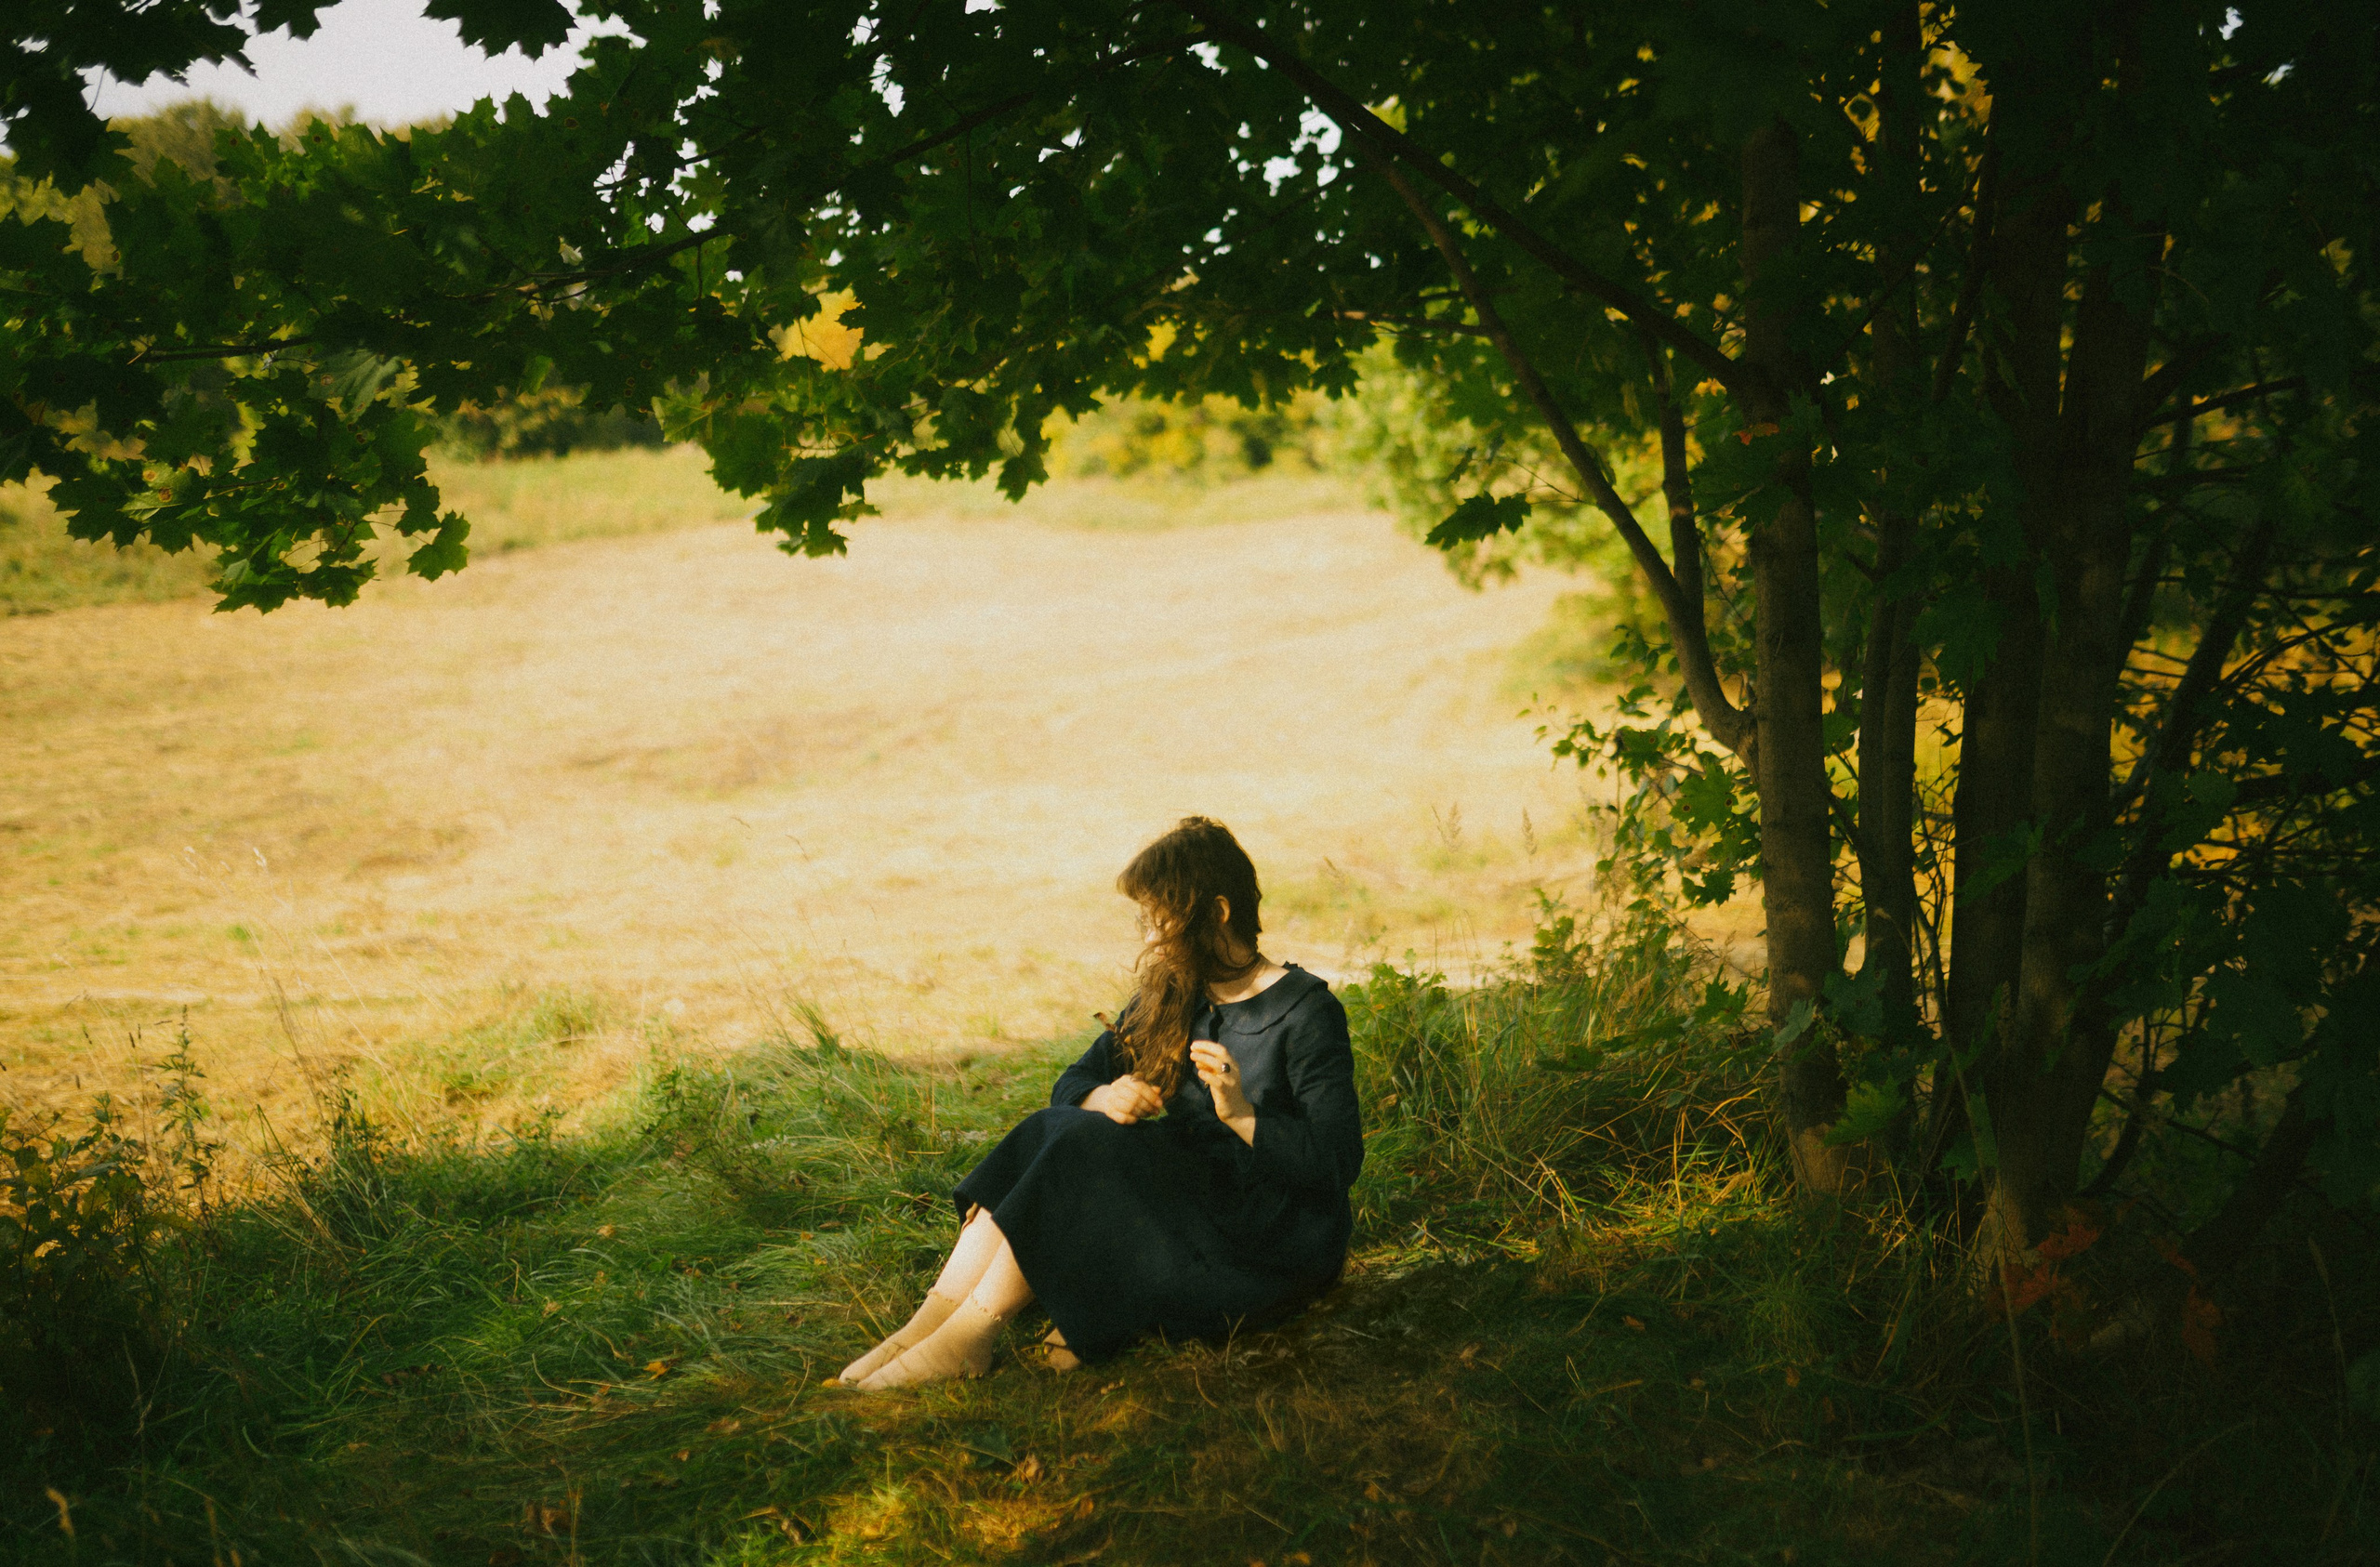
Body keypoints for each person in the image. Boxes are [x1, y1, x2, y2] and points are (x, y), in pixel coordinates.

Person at [839, 816, 1365, 1388]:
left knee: (1082, 1145)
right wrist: (1104, 1094)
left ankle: (970, 1337)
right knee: (1058, 1126)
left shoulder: (1307, 1012)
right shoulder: (1172, 993)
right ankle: (927, 1325)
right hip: (1184, 1215)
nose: (1150, 940)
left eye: (1162, 921)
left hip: (1265, 1248)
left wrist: (1241, 1114)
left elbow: (1336, 1166)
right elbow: (1075, 1082)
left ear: (1217, 912)